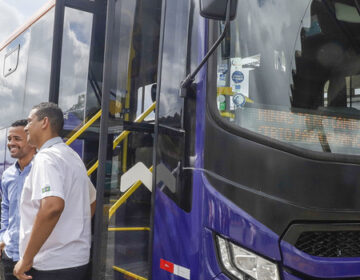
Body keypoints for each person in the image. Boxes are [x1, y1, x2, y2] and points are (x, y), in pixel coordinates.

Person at [13, 102, 96, 280]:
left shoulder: (46, 157)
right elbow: (92, 200)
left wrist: (26, 260)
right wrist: (71, 230)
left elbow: (52, 207)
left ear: (44, 122)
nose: (26, 127)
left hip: (50, 266)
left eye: (29, 121)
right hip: (75, 262)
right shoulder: (72, 156)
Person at [0, 120, 36, 280]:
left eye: (17, 138)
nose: (11, 143)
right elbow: (6, 209)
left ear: (32, 141)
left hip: (35, 258)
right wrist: (2, 238)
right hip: (10, 253)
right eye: (9, 139)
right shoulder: (7, 175)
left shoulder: (43, 169)